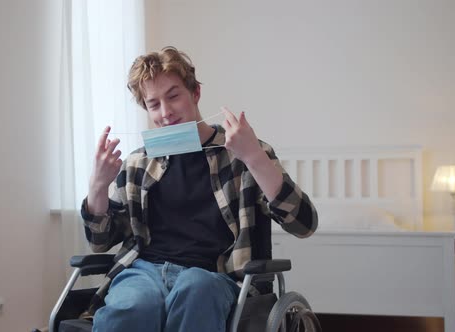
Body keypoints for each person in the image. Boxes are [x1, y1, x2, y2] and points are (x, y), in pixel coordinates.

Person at [81, 46, 318, 332]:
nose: (166, 112)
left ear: (195, 93)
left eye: (174, 96)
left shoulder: (241, 154)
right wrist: (98, 186)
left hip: (216, 276)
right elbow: (100, 241)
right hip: (144, 272)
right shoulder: (138, 163)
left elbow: (304, 224)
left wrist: (255, 157)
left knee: (195, 288)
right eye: (154, 104)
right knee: (134, 305)